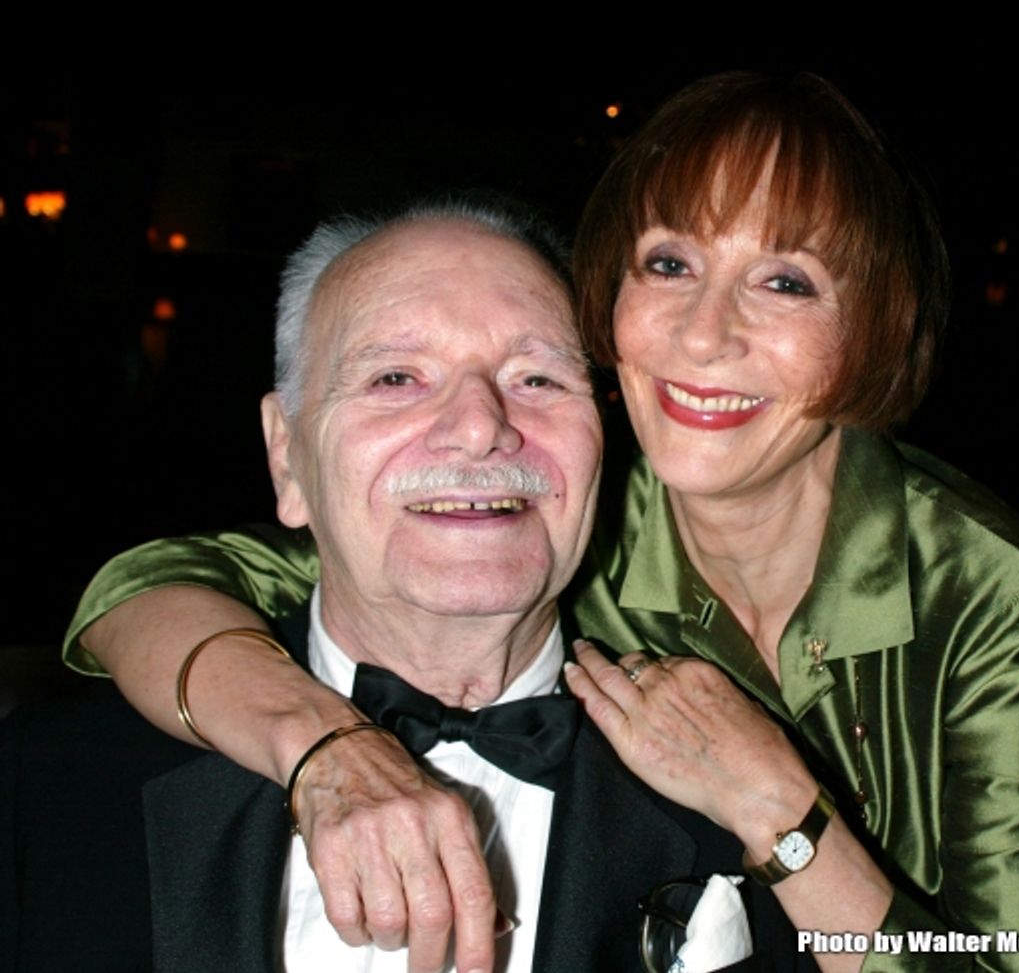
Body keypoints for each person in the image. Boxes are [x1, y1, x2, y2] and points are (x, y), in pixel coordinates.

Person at [63, 74, 1019, 971]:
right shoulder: (552, 517)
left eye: (785, 280)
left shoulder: (986, 581)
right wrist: (327, 744)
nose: (702, 331)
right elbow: (140, 591)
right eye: (670, 263)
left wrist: (784, 813)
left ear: (872, 328)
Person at [3, 200, 804, 973]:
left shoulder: (753, 796)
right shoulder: (47, 791)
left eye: (537, 378)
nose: (481, 425)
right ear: (287, 457)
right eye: (395, 378)